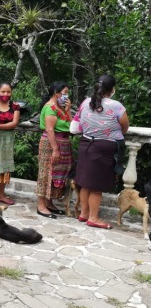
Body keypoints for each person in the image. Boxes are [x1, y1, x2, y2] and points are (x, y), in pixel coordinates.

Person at [74, 74, 129, 229]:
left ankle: (84, 214)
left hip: (86, 144)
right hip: (104, 147)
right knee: (97, 186)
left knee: (85, 183)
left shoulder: (85, 102)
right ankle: (94, 218)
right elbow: (125, 126)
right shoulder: (116, 106)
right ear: (112, 89)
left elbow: (78, 120)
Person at [35, 81, 73, 219]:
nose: (67, 96)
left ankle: (49, 202)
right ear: (57, 93)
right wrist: (55, 149)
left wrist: (68, 110)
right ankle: (41, 205)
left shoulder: (61, 108)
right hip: (51, 144)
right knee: (46, 173)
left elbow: (71, 124)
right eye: (64, 93)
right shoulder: (50, 108)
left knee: (55, 174)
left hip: (63, 141)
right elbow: (50, 129)